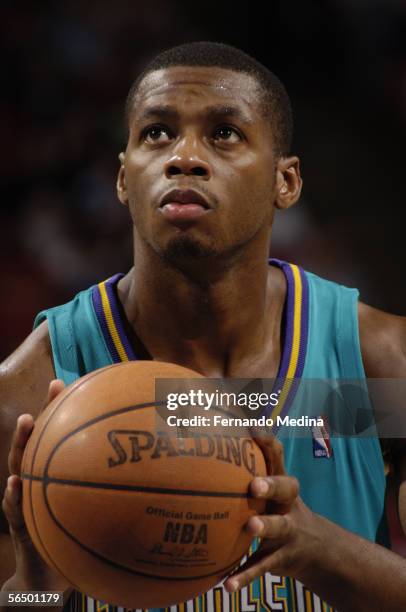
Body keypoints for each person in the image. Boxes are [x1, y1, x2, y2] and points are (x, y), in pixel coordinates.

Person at [1, 41, 406, 612]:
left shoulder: (379, 370)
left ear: (284, 182)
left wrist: (321, 549)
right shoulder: (32, 394)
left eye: (224, 133)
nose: (183, 156)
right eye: (157, 133)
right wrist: (35, 595)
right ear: (123, 178)